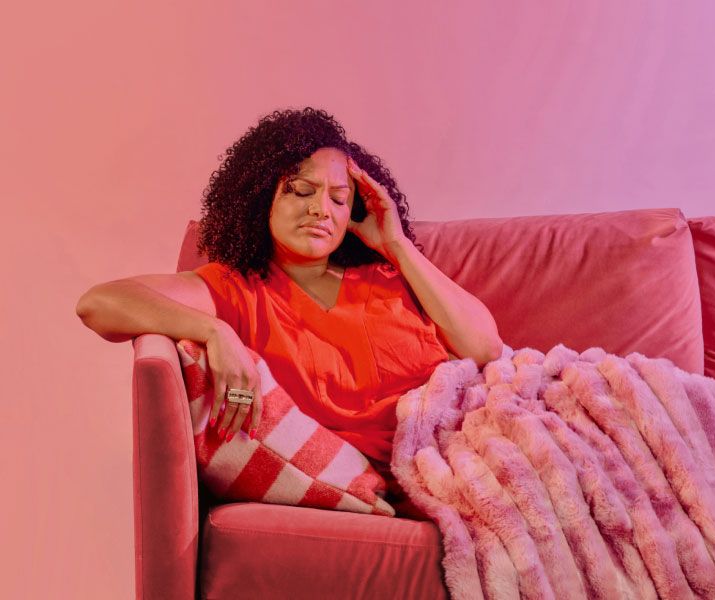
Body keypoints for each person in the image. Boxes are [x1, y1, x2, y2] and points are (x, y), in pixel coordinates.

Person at [75, 107, 503, 517]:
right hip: (421, 471)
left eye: (339, 199)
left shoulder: (388, 273)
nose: (321, 209)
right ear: (262, 196)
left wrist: (397, 245)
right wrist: (214, 331)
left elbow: (485, 348)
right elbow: (99, 304)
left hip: (481, 430)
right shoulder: (238, 289)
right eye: (301, 190)